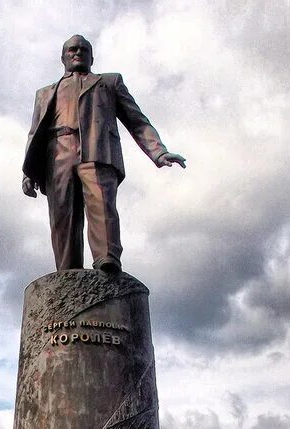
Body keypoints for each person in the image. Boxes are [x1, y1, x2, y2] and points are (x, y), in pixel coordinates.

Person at [22, 35, 186, 274]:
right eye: (72, 50)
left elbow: (137, 120)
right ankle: (67, 271)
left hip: (97, 149)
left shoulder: (109, 83)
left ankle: (107, 258)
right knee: (62, 214)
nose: (77, 53)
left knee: (101, 205)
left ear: (91, 57)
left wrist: (158, 151)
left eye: (83, 49)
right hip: (58, 151)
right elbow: (34, 133)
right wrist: (28, 172)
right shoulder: (45, 93)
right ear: (63, 58)